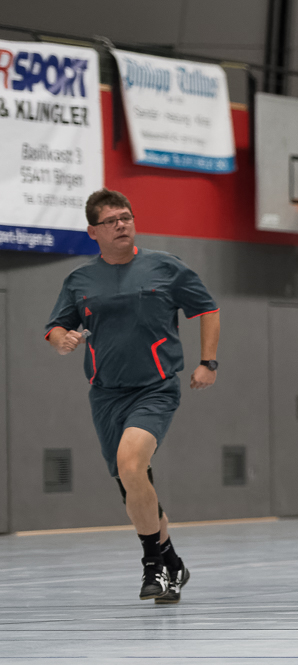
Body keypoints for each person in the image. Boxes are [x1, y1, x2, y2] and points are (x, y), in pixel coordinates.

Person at [45, 188, 221, 604]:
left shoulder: (165, 267)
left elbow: (207, 309)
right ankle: (173, 563)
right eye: (111, 221)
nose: (121, 225)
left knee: (131, 463)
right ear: (93, 231)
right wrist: (61, 340)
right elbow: (55, 327)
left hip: (155, 388)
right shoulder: (80, 280)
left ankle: (152, 565)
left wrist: (208, 362)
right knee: (132, 483)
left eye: (126, 217)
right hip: (106, 395)